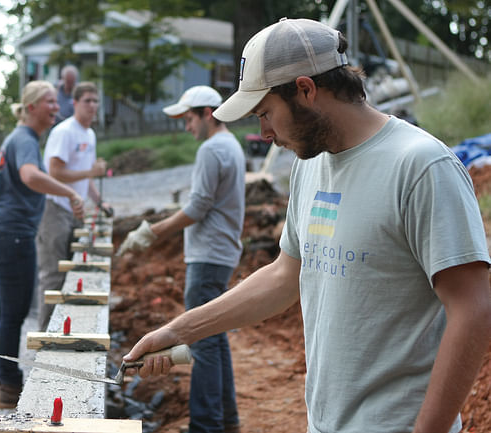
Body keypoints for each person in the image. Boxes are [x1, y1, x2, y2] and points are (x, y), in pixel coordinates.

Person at [123, 18, 491, 433]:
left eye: (266, 114)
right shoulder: (310, 167)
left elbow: (473, 309)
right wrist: (178, 330)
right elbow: (284, 276)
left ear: (306, 90)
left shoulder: (420, 166)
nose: (263, 133)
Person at [117, 85, 245, 433]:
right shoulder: (231, 145)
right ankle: (227, 419)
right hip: (222, 252)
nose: (186, 126)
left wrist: (151, 232)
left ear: (206, 114)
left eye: (188, 118)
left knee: (201, 341)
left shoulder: (211, 150)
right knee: (214, 337)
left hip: (207, 256)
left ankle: (206, 425)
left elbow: (197, 208)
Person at [0, 80, 85, 409]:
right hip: (13, 236)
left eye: (57, 102)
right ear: (32, 107)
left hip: (0, 233)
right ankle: (10, 389)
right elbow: (29, 176)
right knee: (12, 316)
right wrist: (69, 192)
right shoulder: (24, 139)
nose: (57, 107)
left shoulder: (20, 138)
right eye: (50, 102)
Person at [36, 81, 109, 331]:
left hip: (75, 210)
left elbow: (85, 179)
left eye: (95, 101)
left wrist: (100, 202)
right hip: (54, 209)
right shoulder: (65, 131)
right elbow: (54, 172)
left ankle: (64, 329)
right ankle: (46, 336)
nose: (92, 106)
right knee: (53, 275)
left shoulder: (89, 134)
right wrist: (92, 171)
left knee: (72, 273)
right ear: (75, 103)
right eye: (86, 100)